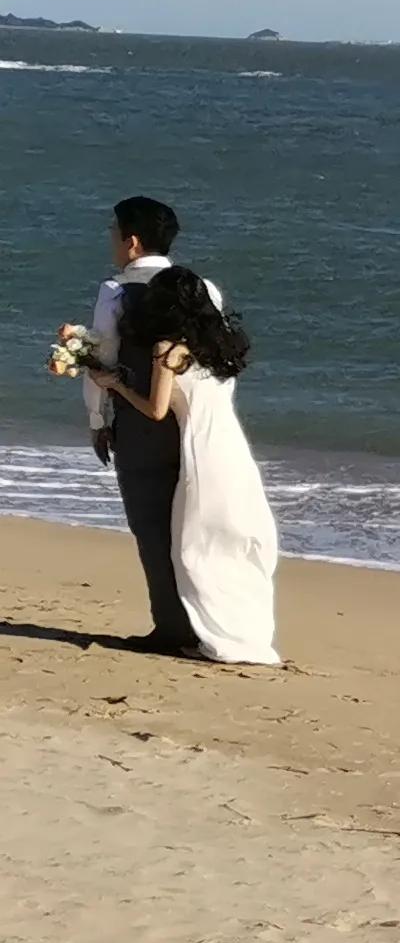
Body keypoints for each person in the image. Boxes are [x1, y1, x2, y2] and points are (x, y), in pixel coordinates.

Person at [86, 265, 281, 667]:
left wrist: (116, 385)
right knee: (235, 542)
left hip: (200, 451)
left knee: (194, 547)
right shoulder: (219, 344)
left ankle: (209, 634)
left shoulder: (166, 350)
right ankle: (244, 632)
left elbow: (156, 411)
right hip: (231, 449)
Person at [87, 199, 224, 655]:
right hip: (194, 425)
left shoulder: (115, 292)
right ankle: (204, 618)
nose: (111, 240)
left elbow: (103, 361)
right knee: (192, 526)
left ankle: (171, 627)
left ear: (132, 241)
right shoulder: (202, 288)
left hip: (142, 421)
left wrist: (97, 420)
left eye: (114, 232)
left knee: (150, 527)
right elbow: (213, 365)